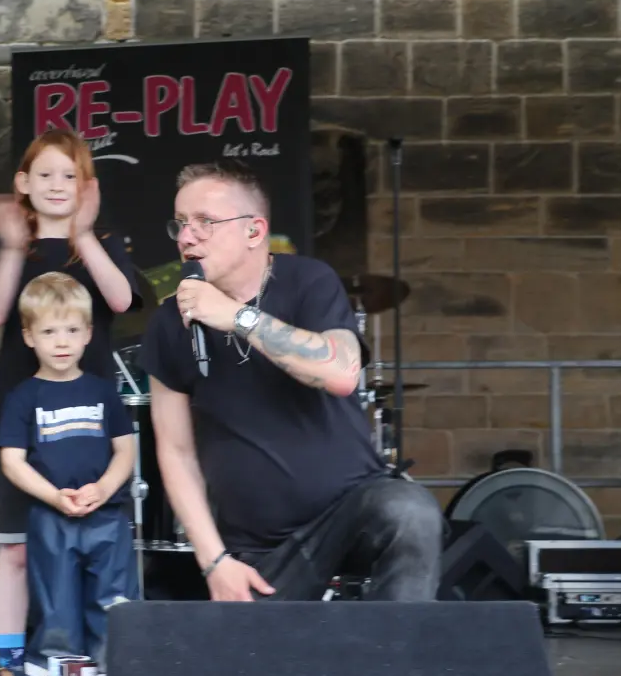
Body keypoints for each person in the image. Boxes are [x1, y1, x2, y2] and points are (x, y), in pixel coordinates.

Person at [139, 160, 441, 605]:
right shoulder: (170, 323)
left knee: (410, 511)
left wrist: (237, 317)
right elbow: (176, 452)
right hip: (258, 549)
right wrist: (214, 562)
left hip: (350, 508)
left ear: (254, 231)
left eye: (205, 222)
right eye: (181, 223)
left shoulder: (308, 281)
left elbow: (341, 372)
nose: (187, 237)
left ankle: (403, 664)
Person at [0, 127, 143, 676]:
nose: (55, 185)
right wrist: (14, 247)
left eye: (69, 176)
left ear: (85, 187)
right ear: (23, 184)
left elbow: (122, 300)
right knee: (19, 550)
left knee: (92, 558)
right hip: (26, 423)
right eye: (43, 174)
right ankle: (14, 675)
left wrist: (83, 236)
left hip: (90, 424)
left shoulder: (101, 241)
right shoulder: (8, 247)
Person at [0, 272, 137, 676]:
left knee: (113, 602)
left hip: (106, 517)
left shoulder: (103, 391)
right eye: (50, 331)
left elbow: (125, 449)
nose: (61, 341)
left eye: (72, 330)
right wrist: (54, 497)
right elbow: (12, 461)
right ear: (29, 336)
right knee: (57, 606)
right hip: (52, 517)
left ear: (88, 334)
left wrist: (105, 488)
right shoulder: (23, 396)